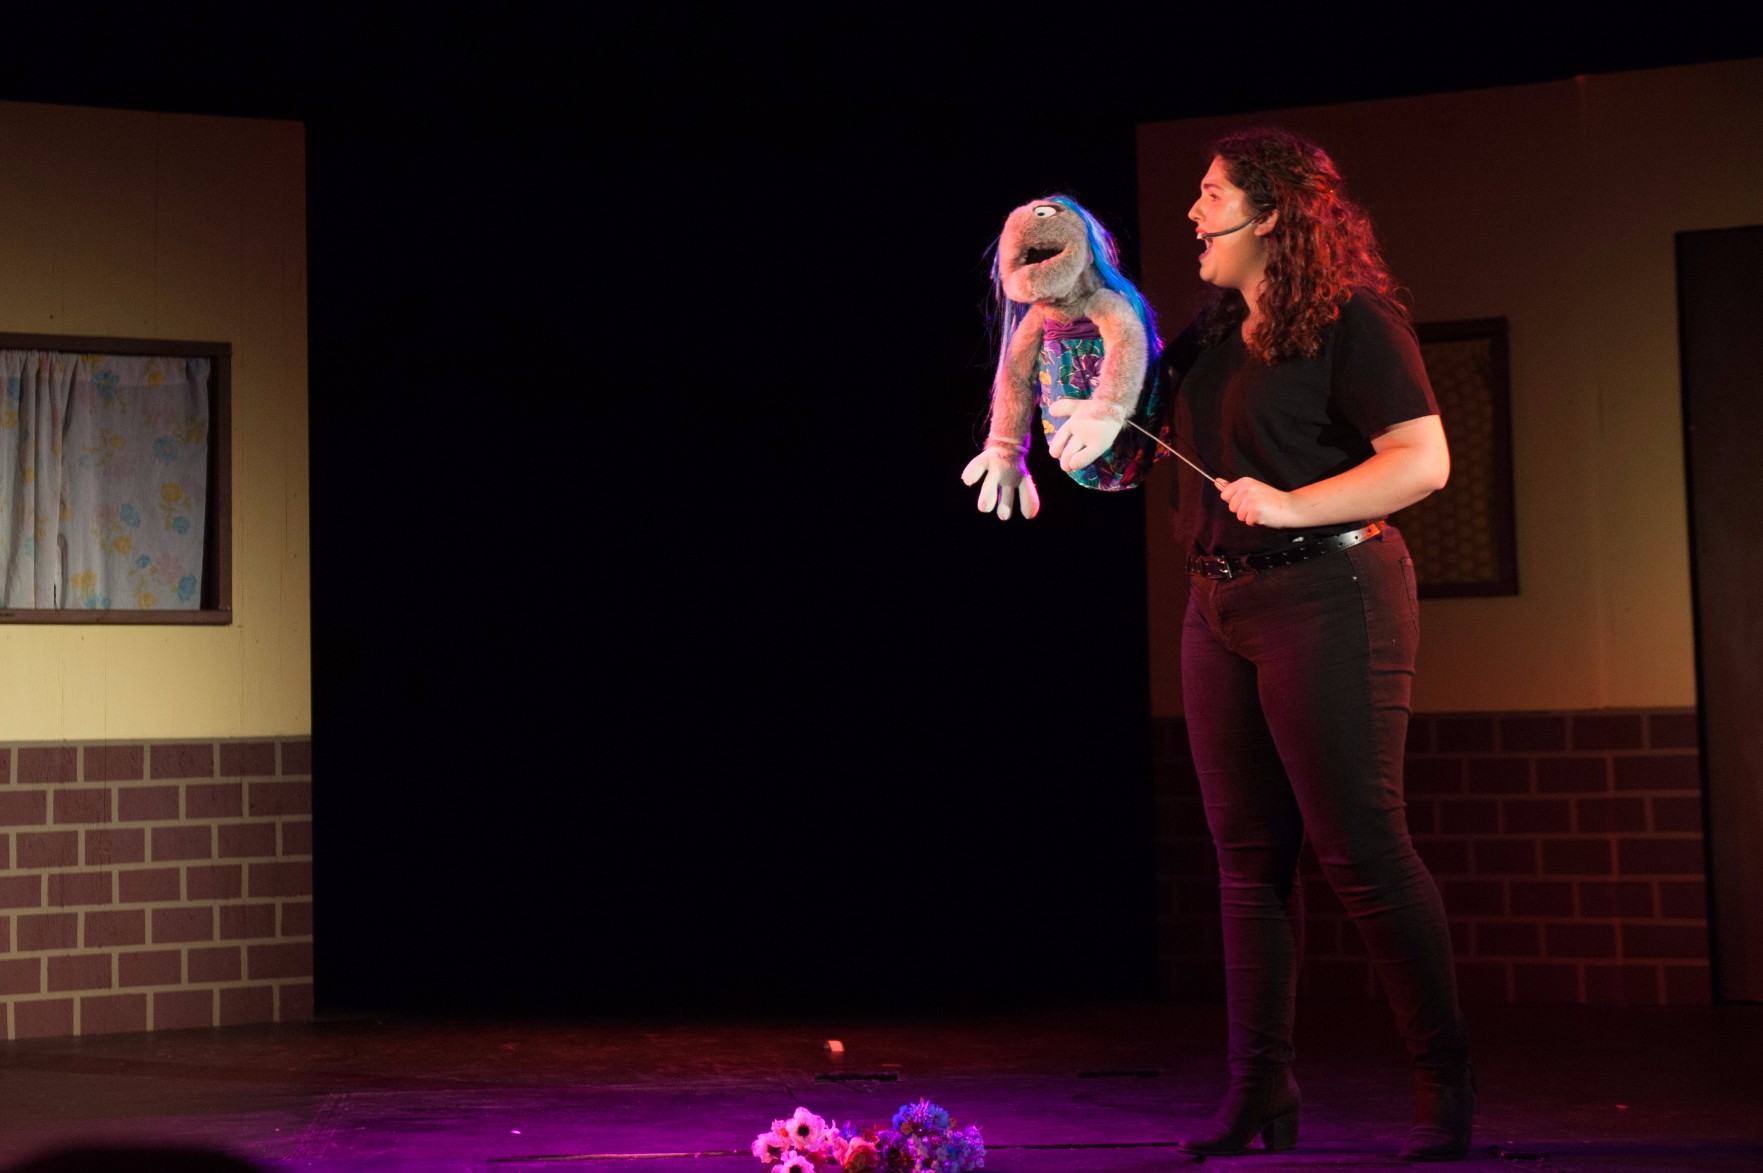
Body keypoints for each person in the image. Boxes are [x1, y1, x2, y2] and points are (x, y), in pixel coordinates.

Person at [1114, 128, 1473, 1162]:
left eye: (1210, 194)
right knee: (1245, 861)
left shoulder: (1351, 317)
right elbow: (1127, 443)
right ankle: (1259, 1091)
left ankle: (1443, 1092)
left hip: (1331, 592)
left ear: (1268, 213)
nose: (1191, 213)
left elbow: (1423, 461)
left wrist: (1288, 503)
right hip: (1218, 606)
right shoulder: (1212, 329)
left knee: (1360, 849)